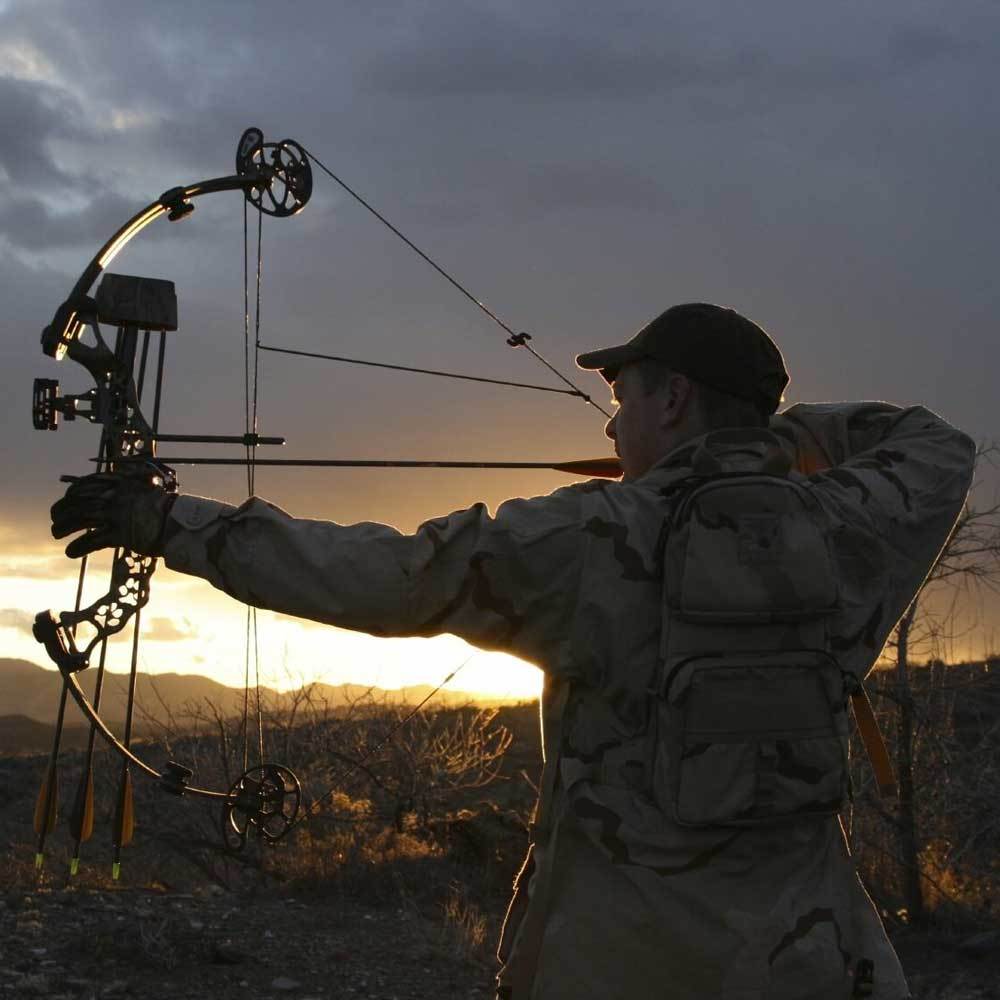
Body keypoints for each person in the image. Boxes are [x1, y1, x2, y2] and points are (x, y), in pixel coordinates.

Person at [52, 303, 974, 999]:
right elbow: (933, 441)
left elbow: (388, 575)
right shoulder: (852, 522)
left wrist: (168, 522)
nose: (611, 427)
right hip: (813, 958)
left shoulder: (594, 536)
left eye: (625, 400)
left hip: (626, 960)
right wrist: (753, 451)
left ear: (675, 397)